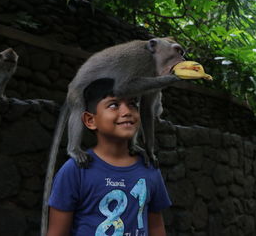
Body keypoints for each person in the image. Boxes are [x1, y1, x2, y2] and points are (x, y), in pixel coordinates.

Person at [47, 78, 172, 236]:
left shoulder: (149, 168)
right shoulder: (75, 171)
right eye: (114, 105)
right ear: (90, 120)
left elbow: (155, 227)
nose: (126, 112)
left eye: (133, 103)